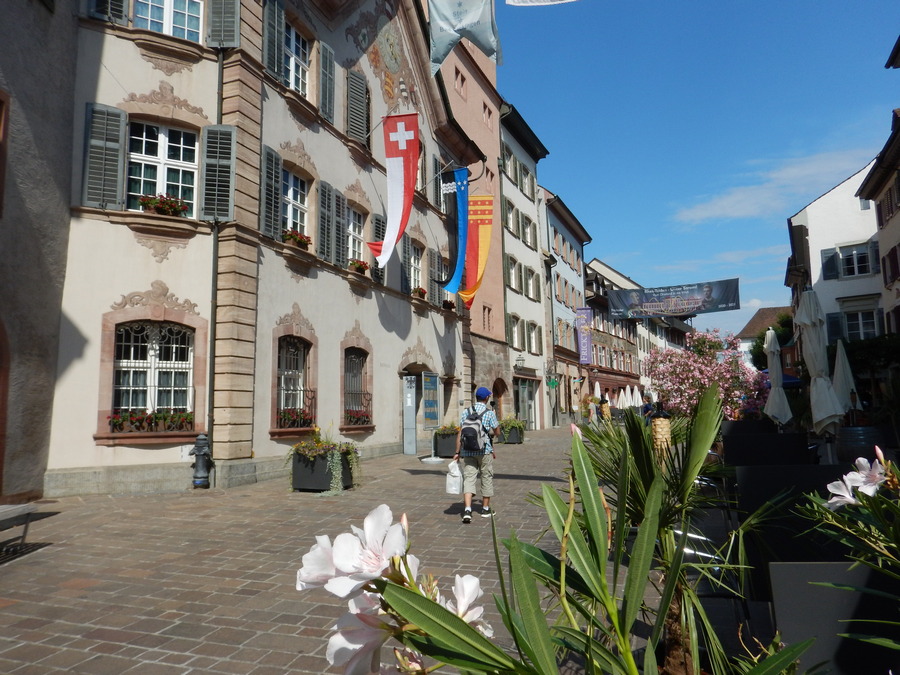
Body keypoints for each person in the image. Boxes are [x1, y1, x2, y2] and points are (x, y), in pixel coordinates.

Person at [454, 386, 499, 523]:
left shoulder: (466, 411)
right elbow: (497, 432)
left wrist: (457, 452)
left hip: (468, 451)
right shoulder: (489, 413)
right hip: (484, 450)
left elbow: (460, 433)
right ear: (486, 398)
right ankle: (485, 509)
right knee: (486, 477)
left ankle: (467, 509)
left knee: (469, 479)